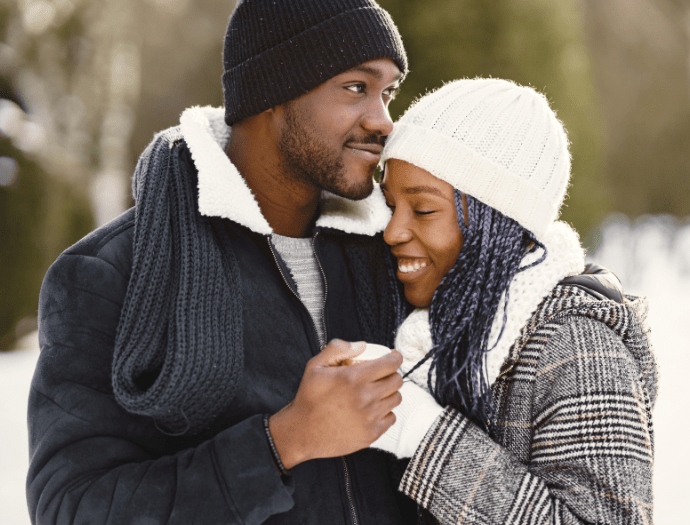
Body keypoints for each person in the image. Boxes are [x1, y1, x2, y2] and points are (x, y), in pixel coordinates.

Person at [27, 1, 414, 524]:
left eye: (388, 92)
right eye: (356, 88)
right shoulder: (109, 275)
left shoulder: (394, 255)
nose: (383, 121)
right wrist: (282, 442)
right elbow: (70, 508)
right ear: (273, 90)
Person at [369, 78, 657, 524]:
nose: (392, 231)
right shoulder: (431, 329)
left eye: (422, 210)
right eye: (389, 206)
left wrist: (428, 437)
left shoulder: (576, 348)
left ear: (496, 222)